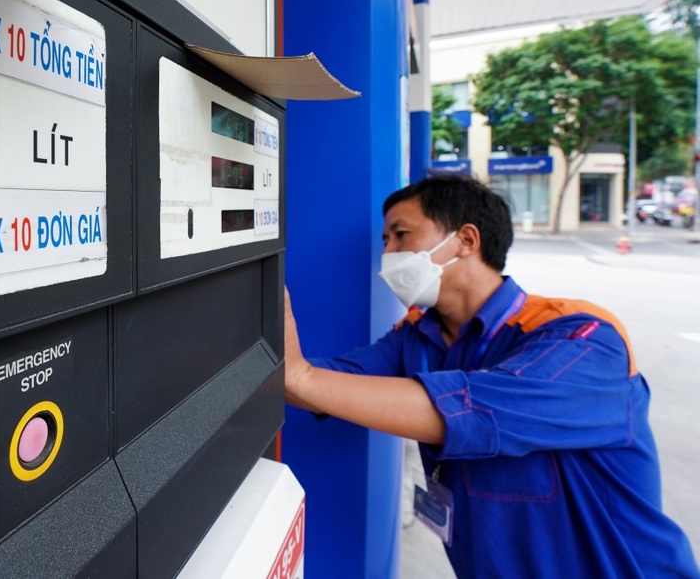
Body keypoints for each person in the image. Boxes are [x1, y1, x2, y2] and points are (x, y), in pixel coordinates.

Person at [284, 175, 699, 578]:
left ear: (466, 240)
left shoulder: (584, 337)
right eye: (385, 241)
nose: (388, 254)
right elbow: (326, 382)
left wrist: (301, 377)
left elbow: (473, 411)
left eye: (401, 235)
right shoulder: (417, 336)